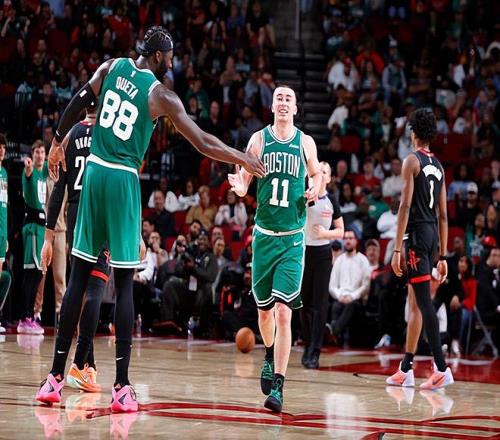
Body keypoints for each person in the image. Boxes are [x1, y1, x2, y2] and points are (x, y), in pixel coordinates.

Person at [36, 26, 265, 412]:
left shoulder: (111, 67)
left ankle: (54, 378)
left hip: (93, 174)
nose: (172, 65)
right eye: (170, 59)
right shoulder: (159, 94)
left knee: (77, 278)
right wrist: (241, 157)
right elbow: (202, 141)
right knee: (125, 283)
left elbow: (77, 102)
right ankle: (122, 387)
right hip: (123, 180)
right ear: (158, 56)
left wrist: (58, 142)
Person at [228, 85, 322, 413]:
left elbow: (318, 175)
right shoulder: (259, 140)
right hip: (264, 237)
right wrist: (240, 186)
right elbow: (244, 181)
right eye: (278, 98)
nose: (283, 103)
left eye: (288, 99)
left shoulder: (305, 142)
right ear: (271, 106)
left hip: (293, 239)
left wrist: (316, 187)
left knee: (284, 311)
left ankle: (279, 386)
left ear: (295, 108)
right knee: (264, 312)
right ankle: (269, 352)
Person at [40, 102, 108, 393]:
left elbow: (58, 191)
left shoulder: (69, 137)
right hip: (98, 213)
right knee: (94, 290)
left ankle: (84, 364)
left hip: (74, 214)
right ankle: (80, 363)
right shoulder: (108, 134)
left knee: (76, 287)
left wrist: (48, 237)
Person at [387, 108, 454, 390]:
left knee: (424, 303)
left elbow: (404, 206)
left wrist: (397, 249)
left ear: (413, 132)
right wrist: (443, 254)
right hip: (431, 236)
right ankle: (406, 368)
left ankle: (441, 367)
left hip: (415, 236)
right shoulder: (438, 166)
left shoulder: (411, 161)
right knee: (414, 303)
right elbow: (443, 215)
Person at [300, 162, 344, 369]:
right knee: (303, 304)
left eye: (324, 171)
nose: (319, 174)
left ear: (328, 178)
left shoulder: (331, 201)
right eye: (317, 171)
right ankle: (307, 344)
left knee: (320, 305)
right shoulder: (305, 196)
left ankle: (315, 352)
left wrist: (325, 234)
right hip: (304, 252)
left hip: (323, 254)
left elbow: (341, 231)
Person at [17, 140, 47, 335]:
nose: (40, 155)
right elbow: (28, 173)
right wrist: (28, 167)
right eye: (37, 152)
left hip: (41, 229)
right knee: (32, 274)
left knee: (36, 274)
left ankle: (28, 317)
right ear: (32, 154)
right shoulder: (31, 171)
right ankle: (25, 318)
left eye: (42, 152)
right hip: (33, 228)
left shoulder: (44, 173)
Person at [0, 135, 11, 334]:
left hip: (2, 231)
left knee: (4, 276)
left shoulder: (4, 173)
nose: (1, 150)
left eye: (3, 147)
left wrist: (6, 235)